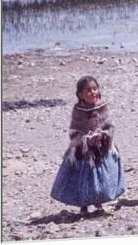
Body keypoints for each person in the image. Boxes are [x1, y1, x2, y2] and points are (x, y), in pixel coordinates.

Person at [50, 76, 126, 216]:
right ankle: (83, 206)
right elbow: (74, 130)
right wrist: (84, 140)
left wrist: (103, 135)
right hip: (83, 150)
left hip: (101, 148)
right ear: (80, 94)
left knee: (102, 175)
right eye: (88, 90)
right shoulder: (77, 110)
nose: (92, 92)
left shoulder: (103, 106)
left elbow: (109, 125)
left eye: (94, 89)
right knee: (83, 178)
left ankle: (99, 201)